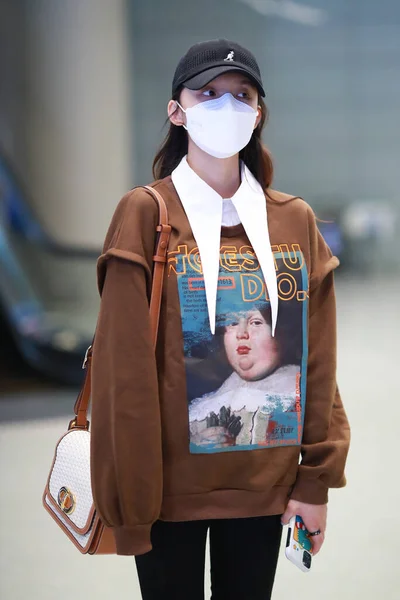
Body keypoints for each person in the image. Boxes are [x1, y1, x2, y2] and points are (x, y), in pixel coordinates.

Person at [90, 38, 350, 600]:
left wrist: (316, 481)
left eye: (241, 94)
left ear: (258, 114)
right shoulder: (145, 213)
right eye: (208, 93)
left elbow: (319, 365)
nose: (226, 105)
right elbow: (123, 375)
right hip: (166, 496)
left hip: (266, 488)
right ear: (176, 110)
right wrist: (132, 503)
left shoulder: (294, 221)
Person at [189, 303, 301, 449]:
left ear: (283, 332)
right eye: (232, 322)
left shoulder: (296, 390)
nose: (241, 333)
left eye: (256, 322)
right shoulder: (203, 407)